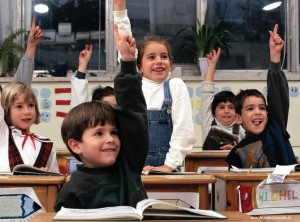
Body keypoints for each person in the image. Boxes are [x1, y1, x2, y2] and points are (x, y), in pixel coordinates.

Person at [54, 24, 148, 210]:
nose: (110, 139)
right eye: (99, 133)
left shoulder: (128, 164)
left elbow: (133, 115)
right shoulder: (71, 192)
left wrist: (128, 62)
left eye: (114, 132)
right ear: (75, 145)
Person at [114, 0, 196, 173]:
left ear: (171, 64)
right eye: (151, 57)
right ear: (139, 66)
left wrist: (168, 166)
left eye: (164, 57)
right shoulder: (134, 85)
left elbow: (184, 131)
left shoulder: (175, 85)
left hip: (166, 168)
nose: (159, 61)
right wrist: (119, 10)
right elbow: (126, 49)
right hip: (133, 167)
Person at [225, 24, 297, 168]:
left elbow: (278, 95)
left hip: (287, 190)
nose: (258, 112)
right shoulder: (236, 154)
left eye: (262, 108)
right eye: (250, 109)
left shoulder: (274, 126)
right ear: (238, 118)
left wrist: (275, 57)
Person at [0, 17, 59, 173]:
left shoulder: (46, 144)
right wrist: (30, 49)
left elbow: (55, 185)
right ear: (5, 110)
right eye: (18, 107)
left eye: (31, 105)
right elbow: (18, 88)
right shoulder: (2, 135)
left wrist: (32, 46)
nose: (27, 111)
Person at [200, 48, 245, 150]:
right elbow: (207, 92)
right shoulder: (208, 123)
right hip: (209, 165)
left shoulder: (243, 127)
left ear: (237, 112)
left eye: (231, 107)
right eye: (221, 107)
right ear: (214, 113)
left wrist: (235, 150)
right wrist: (211, 66)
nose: (226, 111)